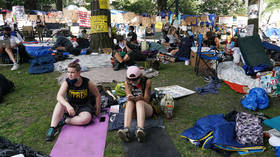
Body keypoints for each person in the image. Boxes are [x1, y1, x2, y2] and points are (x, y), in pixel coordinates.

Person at [46, 61, 101, 141]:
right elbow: (59, 96)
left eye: (72, 72)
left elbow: (97, 95)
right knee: (59, 103)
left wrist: (98, 108)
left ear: (79, 73)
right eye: (68, 72)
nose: (69, 74)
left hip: (84, 106)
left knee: (86, 119)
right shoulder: (67, 82)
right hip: (71, 105)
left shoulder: (87, 82)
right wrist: (68, 106)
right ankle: (53, 128)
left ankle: (66, 120)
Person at [117, 66, 153, 143]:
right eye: (130, 80)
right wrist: (130, 97)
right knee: (129, 102)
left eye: (134, 80)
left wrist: (140, 98)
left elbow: (147, 100)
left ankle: (140, 129)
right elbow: (128, 97)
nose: (132, 82)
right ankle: (126, 130)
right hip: (134, 112)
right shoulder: (127, 83)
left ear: (140, 77)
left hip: (146, 109)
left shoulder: (147, 82)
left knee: (139, 102)